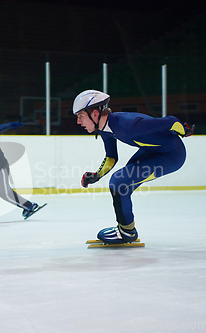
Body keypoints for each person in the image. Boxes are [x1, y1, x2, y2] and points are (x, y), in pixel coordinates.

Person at [73, 90, 194, 244]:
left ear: (95, 114)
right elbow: (111, 157)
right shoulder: (105, 129)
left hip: (172, 156)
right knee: (123, 183)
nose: (78, 122)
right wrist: (97, 175)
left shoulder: (128, 125)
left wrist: (185, 131)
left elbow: (171, 121)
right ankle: (124, 227)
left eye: (80, 116)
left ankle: (127, 232)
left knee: (119, 181)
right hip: (152, 151)